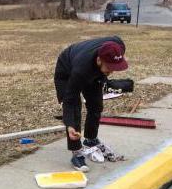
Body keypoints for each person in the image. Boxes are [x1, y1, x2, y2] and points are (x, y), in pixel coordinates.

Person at [54, 36, 128, 172]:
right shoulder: (81, 70)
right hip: (66, 69)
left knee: (96, 105)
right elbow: (69, 100)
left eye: (114, 68)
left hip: (93, 69)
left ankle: (91, 139)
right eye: (109, 68)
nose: (111, 72)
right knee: (75, 107)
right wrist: (69, 124)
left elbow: (114, 41)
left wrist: (107, 69)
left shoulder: (118, 46)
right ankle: (76, 152)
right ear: (99, 60)